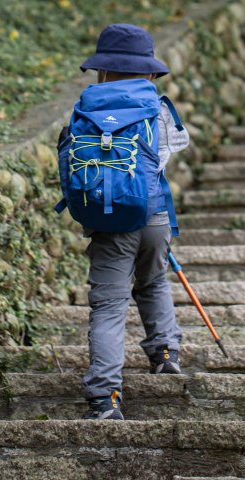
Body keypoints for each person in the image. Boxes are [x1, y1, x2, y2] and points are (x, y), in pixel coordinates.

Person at [75, 23, 190, 421]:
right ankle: (164, 353)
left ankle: (105, 396)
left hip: (110, 222)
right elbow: (176, 145)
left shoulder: (85, 109)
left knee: (108, 307)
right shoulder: (156, 109)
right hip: (154, 217)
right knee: (154, 280)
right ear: (148, 72)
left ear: (103, 69)